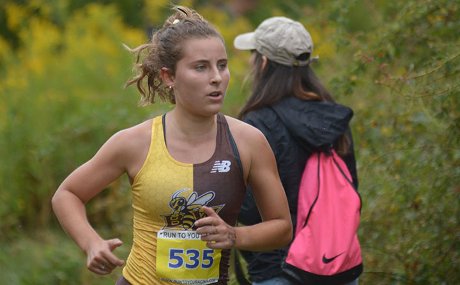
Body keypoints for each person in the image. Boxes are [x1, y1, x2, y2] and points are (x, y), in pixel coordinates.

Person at [51, 6, 292, 285]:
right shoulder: (135, 142)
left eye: (222, 65)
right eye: (201, 67)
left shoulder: (249, 141)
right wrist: (91, 243)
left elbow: (282, 227)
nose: (216, 77)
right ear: (169, 77)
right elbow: (67, 194)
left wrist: (234, 235)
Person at [233, 17, 360, 285]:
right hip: (336, 262)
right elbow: (351, 189)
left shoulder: (259, 123)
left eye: (254, 55)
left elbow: (248, 209)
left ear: (264, 62)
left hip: (278, 268)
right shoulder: (334, 119)